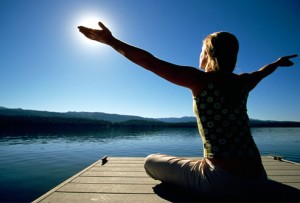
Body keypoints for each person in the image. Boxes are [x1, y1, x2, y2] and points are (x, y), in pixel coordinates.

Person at [78, 22, 297, 199]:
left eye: (201, 51)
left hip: (223, 184)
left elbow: (149, 62)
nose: (199, 55)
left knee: (151, 161)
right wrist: (277, 62)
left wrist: (111, 41)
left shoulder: (200, 80)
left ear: (209, 55)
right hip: (259, 177)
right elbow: (263, 71)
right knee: (198, 162)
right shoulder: (243, 81)